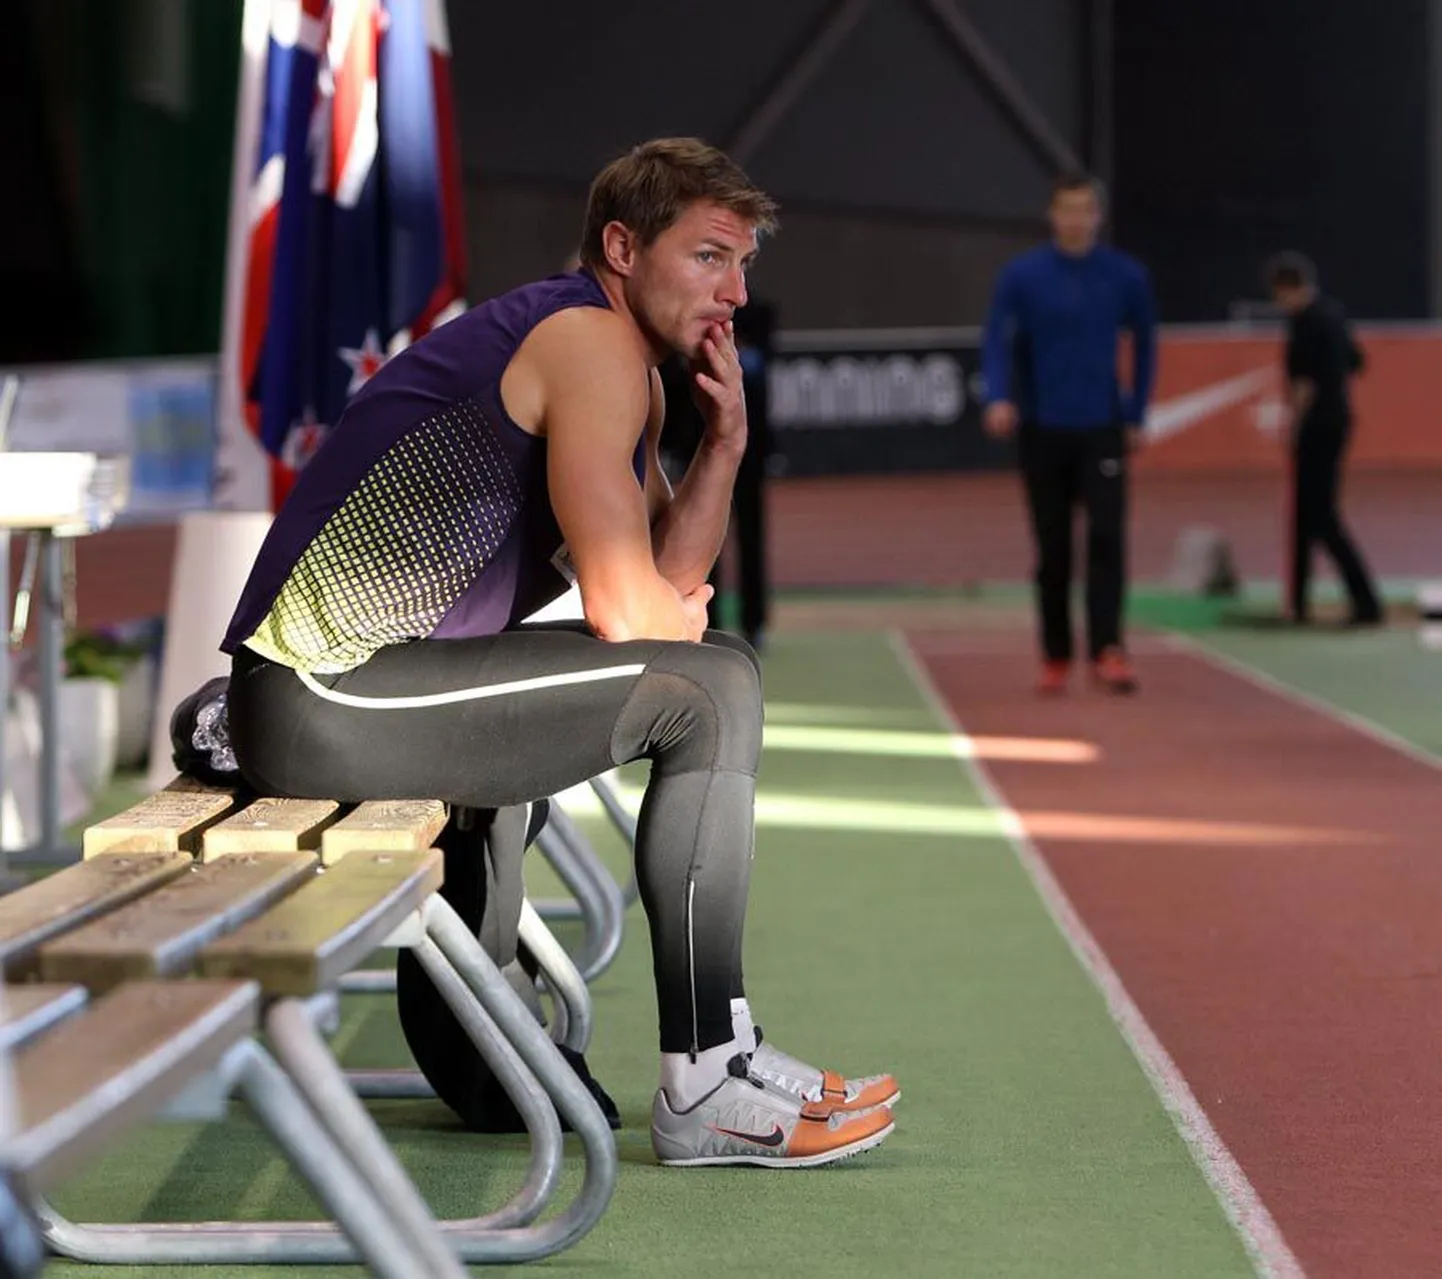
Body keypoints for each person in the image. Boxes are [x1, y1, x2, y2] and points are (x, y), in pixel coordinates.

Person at [215, 137, 897, 1168]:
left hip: (361, 689)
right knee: (709, 685)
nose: (736, 292)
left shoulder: (632, 376)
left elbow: (660, 584)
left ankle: (568, 1057)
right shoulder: (585, 343)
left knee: (707, 666)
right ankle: (710, 1070)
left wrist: (723, 447)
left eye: (745, 265)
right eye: (710, 255)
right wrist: (661, 617)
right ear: (621, 246)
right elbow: (639, 616)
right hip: (322, 692)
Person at [980, 172, 1158, 696]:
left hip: (1103, 426)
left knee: (1107, 539)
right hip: (1041, 428)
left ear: (1097, 217)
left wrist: (1138, 411)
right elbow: (996, 337)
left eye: (1085, 209)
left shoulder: (1125, 276)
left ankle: (1108, 648)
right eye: (1067, 209)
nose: (1076, 219)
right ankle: (1055, 655)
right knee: (1052, 546)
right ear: (1053, 215)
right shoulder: (1022, 276)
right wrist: (999, 396)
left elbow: (1146, 343)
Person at [1264, 252, 1382, 627]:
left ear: (1286, 289)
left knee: (1319, 515)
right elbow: (1356, 362)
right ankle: (1298, 601)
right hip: (1339, 421)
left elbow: (1303, 382)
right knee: (1307, 512)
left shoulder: (1303, 322)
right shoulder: (1334, 314)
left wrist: (1292, 424)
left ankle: (1364, 601)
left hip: (1317, 426)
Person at [658, 297, 775, 651]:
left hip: (749, 453)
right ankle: (712, 622)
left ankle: (754, 623)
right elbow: (673, 385)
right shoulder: (683, 324)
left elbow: (760, 375)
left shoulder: (759, 316)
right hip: (697, 448)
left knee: (752, 537)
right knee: (704, 536)